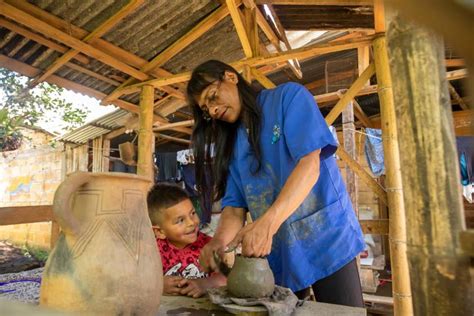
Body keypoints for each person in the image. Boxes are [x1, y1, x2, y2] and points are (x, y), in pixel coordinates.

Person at [186, 60, 366, 307]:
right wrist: (218, 243)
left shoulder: (288, 98)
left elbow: (310, 164)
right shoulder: (232, 144)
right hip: (280, 253)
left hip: (325, 236)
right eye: (207, 109)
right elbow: (235, 207)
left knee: (343, 312)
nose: (214, 110)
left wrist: (267, 223)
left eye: (213, 97)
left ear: (231, 76)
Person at [147, 183, 226, 298]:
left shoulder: (209, 246)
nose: (192, 222)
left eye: (193, 213)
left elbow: (226, 278)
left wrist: (205, 284)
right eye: (180, 220)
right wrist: (158, 285)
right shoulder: (151, 252)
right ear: (160, 232)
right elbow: (136, 281)